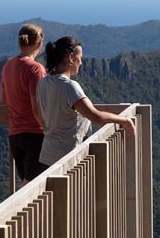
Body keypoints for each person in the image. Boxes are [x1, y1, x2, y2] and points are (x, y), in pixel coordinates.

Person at [37, 36, 136, 166]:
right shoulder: (69, 86)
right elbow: (95, 116)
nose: (81, 62)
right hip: (66, 159)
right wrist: (125, 121)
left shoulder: (43, 82)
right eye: (80, 58)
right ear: (71, 57)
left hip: (46, 156)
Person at [0, 24, 48, 182]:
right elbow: (37, 105)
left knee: (27, 187)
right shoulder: (35, 69)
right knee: (35, 192)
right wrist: (49, 129)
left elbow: (4, 100)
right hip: (35, 135)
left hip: (15, 136)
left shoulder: (8, 66)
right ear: (39, 44)